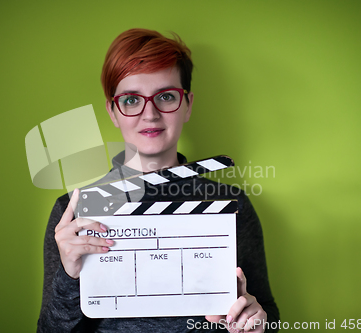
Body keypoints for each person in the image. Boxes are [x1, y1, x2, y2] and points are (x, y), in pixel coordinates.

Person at [37, 28, 279, 332]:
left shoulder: (231, 206)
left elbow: (266, 314)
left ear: (188, 104)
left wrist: (253, 322)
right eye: (130, 100)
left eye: (165, 96)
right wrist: (68, 276)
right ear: (113, 111)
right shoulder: (73, 214)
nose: (149, 114)